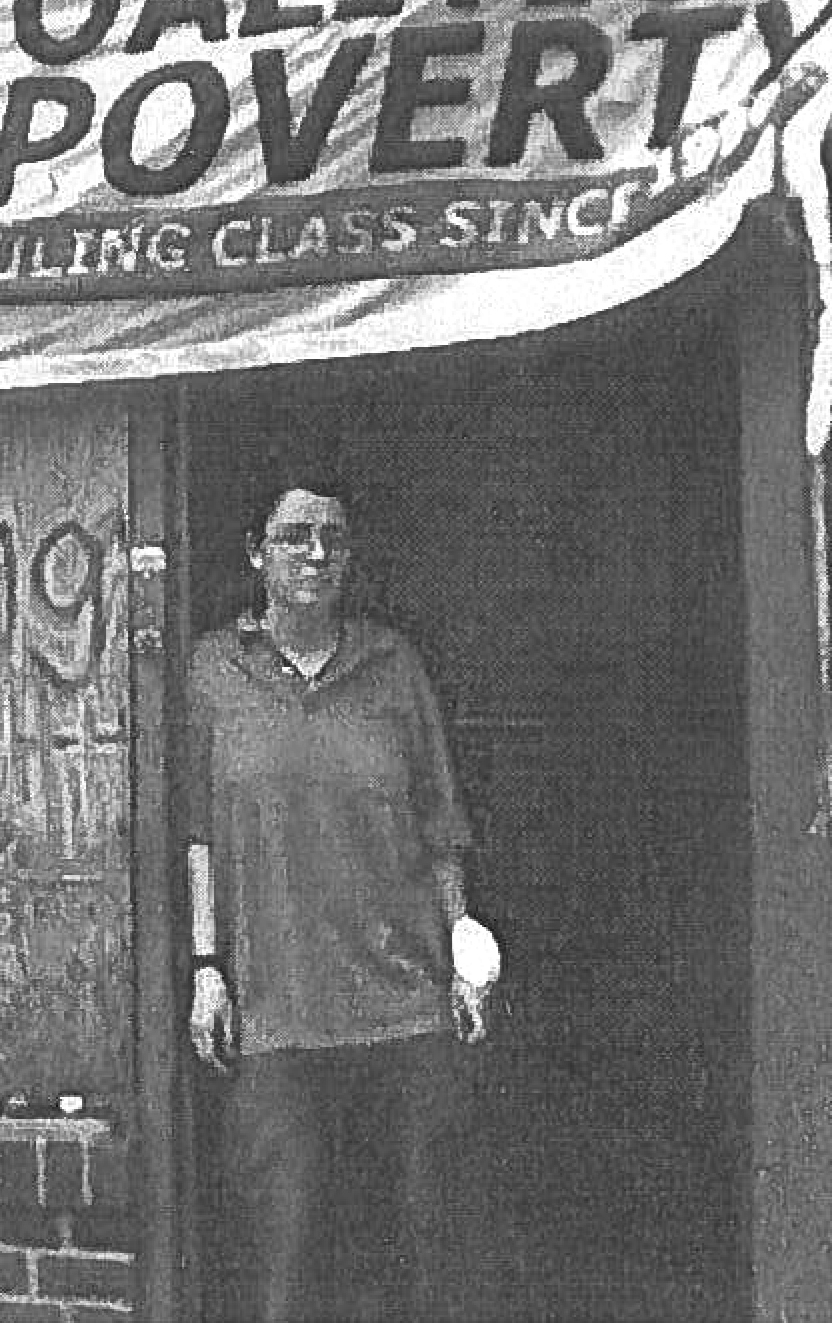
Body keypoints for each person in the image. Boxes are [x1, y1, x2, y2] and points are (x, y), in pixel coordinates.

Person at [186, 478, 502, 1323]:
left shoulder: (393, 666)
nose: (317, 554)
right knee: (284, 1254)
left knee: (413, 1255)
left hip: (402, 1009)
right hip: (279, 1012)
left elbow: (440, 826)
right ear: (255, 549)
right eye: (295, 536)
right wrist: (206, 966)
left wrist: (464, 956)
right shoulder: (214, 672)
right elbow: (197, 834)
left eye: (333, 537)